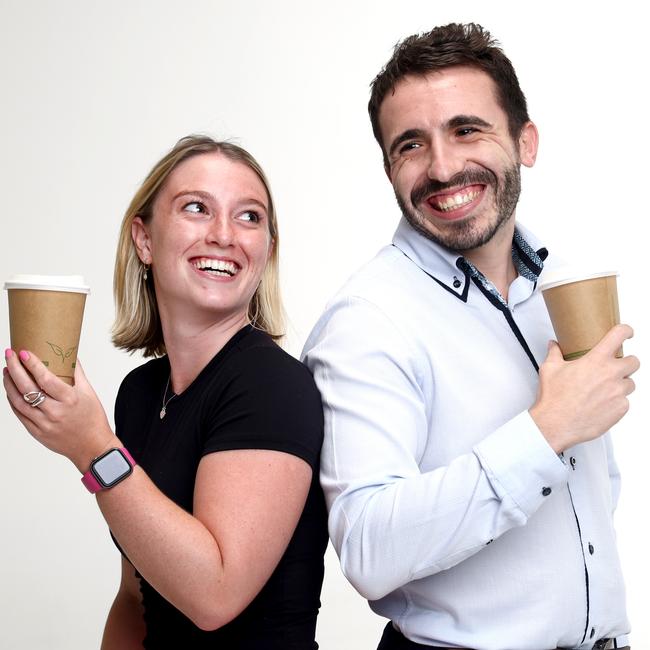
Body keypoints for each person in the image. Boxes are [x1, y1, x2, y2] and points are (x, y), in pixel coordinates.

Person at [302, 23, 639, 650]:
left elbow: (595, 492)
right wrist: (545, 430)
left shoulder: (557, 287)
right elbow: (369, 546)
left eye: (466, 129)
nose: (443, 166)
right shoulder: (366, 320)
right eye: (410, 145)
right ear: (389, 169)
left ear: (525, 141)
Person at [3, 135, 328, 649]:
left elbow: (214, 596)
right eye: (197, 208)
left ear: (266, 251)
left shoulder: (273, 386)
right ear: (144, 239)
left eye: (249, 217)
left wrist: (91, 447)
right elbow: (137, 597)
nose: (224, 234)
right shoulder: (141, 392)